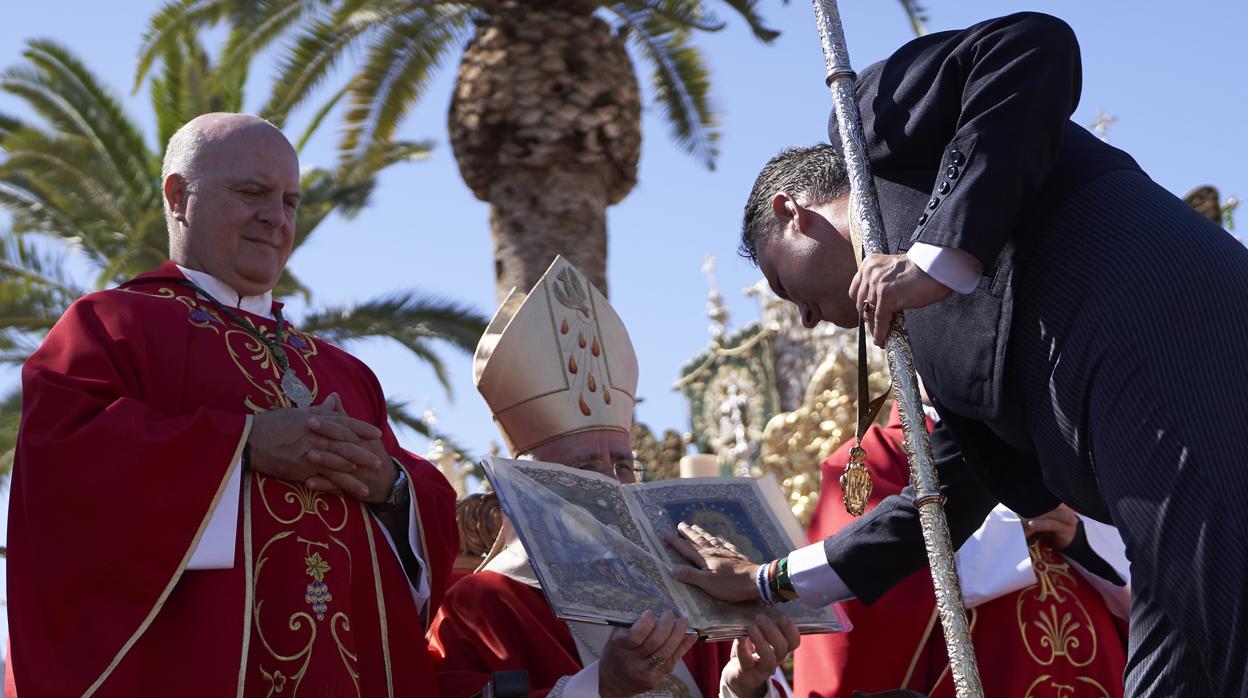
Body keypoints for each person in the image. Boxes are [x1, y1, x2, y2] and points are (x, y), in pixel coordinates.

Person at [667, 12, 1248, 696]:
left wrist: (938, 259)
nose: (803, 316)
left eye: (780, 283)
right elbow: (934, 505)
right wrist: (767, 580)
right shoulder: (929, 358)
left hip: (1168, 353)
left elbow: (1031, 44)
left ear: (793, 211)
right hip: (1139, 470)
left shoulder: (865, 127)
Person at [7, 113, 463, 696]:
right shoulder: (110, 328)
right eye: (252, 193)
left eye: (290, 201)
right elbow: (65, 474)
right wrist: (243, 444)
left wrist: (390, 488)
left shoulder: (344, 372)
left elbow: (425, 525)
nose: (276, 217)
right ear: (178, 196)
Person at [428, 256, 797, 697]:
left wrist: (742, 688)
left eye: (623, 465)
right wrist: (603, 687)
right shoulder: (482, 605)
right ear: (528, 488)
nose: (613, 485)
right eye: (584, 469)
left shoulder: (690, 590)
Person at [793, 403, 1131, 697]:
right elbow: (863, 597)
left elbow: (1147, 575)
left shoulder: (1052, 442)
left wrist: (1079, 537)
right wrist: (1011, 520)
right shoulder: (873, 457)